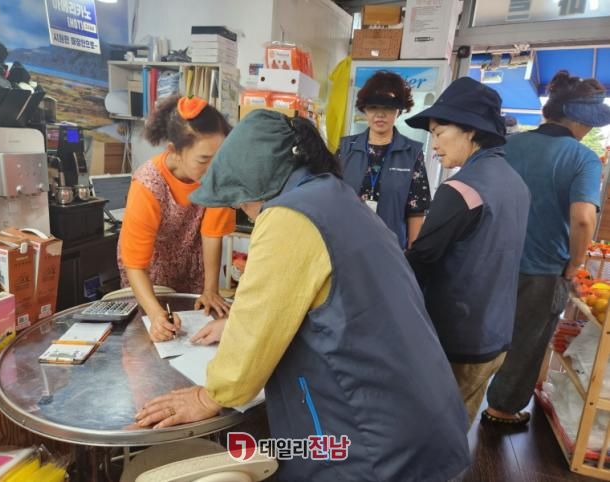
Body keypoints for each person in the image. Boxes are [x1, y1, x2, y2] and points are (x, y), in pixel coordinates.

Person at [135, 110, 471, 481]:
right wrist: (235, 323)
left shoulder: (288, 217)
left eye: (242, 202)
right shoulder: (336, 196)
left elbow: (248, 354)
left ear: (261, 186)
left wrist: (207, 396)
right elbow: (329, 299)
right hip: (425, 420)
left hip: (375, 447)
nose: (244, 211)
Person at [483, 70, 610, 425]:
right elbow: (583, 218)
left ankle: (462, 398)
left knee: (483, 332)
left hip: (493, 259)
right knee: (527, 341)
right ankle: (501, 409)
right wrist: (575, 263)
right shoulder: (581, 158)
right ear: (578, 118)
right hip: (543, 269)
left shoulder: (508, 145)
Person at [404, 77, 531, 424]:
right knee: (459, 425)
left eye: (439, 132)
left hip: (456, 339)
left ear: (471, 130)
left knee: (430, 431)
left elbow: (420, 260)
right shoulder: (515, 182)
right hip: (495, 334)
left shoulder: (461, 189)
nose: (434, 144)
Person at [118, 96, 234, 342]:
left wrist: (210, 290)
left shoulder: (218, 179)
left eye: (221, 157)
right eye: (203, 159)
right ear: (174, 151)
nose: (215, 168)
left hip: (192, 271)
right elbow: (135, 265)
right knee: (154, 340)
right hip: (150, 278)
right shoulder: (148, 185)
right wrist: (155, 314)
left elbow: (212, 235)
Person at [339, 71, 430, 249]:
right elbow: (331, 198)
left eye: (388, 107)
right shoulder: (345, 149)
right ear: (364, 109)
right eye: (373, 107)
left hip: (390, 250)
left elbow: (416, 211)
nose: (380, 114)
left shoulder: (412, 153)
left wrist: (413, 256)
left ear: (399, 111)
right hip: (346, 246)